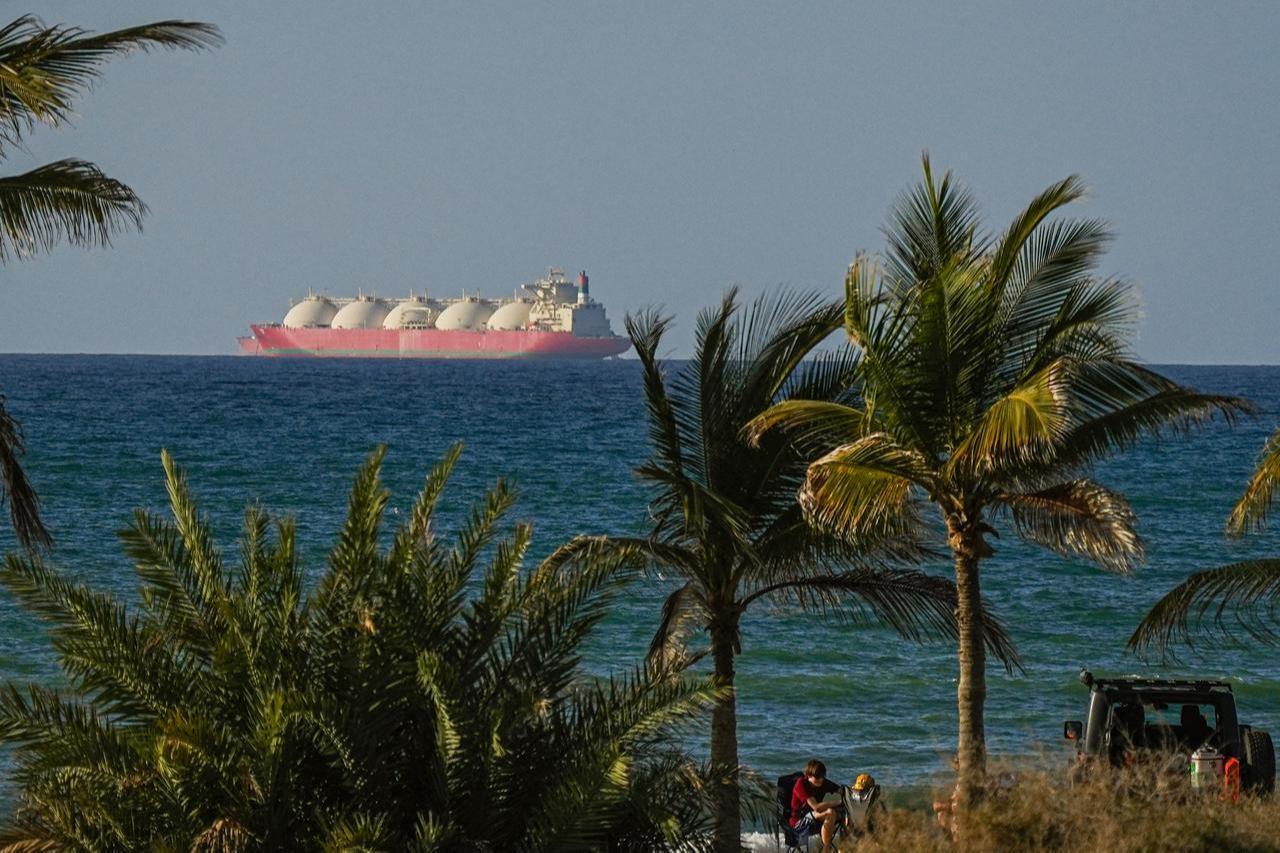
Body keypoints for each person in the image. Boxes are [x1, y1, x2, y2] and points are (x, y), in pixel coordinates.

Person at [790, 758, 841, 852]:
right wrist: (838, 802)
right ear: (809, 775)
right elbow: (816, 807)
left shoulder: (823, 782)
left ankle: (849, 846)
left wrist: (856, 792)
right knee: (830, 812)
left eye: (822, 776)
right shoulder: (801, 784)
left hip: (814, 820)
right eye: (817, 777)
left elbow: (842, 790)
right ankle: (826, 849)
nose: (821, 779)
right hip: (799, 822)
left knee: (843, 813)